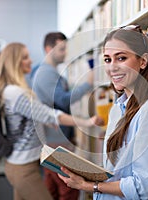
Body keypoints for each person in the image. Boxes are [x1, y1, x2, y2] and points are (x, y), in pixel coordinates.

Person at [58, 25, 148, 200]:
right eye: (107, 60)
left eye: (121, 58)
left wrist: (88, 186)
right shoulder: (117, 109)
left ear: (143, 61)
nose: (112, 68)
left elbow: (142, 187)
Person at [0, 42, 103, 200]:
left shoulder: (14, 90)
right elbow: (49, 114)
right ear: (14, 62)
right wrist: (87, 122)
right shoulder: (15, 92)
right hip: (23, 167)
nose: (31, 61)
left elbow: (32, 116)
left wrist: (42, 121)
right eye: (25, 57)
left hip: (23, 163)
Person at [32, 32, 94, 200]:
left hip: (53, 138)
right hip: (56, 139)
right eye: (61, 49)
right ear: (48, 49)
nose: (65, 53)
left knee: (53, 188)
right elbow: (63, 99)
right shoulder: (46, 73)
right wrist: (88, 84)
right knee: (68, 189)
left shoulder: (45, 71)